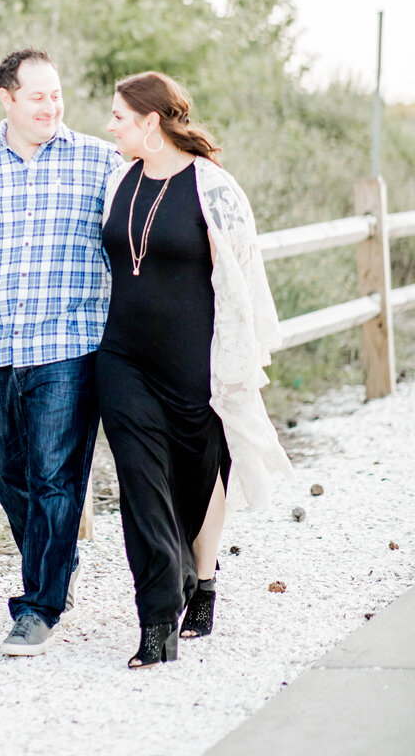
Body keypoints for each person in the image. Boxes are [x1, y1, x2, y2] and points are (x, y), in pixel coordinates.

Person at [96, 70, 293, 669]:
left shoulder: (214, 189)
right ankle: (157, 621)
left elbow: (242, 283)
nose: (110, 127)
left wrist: (234, 368)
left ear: (150, 123)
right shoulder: (117, 179)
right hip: (122, 358)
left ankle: (202, 581)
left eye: (120, 118)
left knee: (200, 475)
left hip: (193, 364)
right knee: (140, 486)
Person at [0, 49, 121, 656]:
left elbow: (137, 229)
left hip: (67, 346)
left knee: (55, 477)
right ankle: (54, 564)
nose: (51, 106)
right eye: (37, 96)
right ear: (7, 97)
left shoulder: (99, 160)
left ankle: (39, 604)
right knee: (5, 470)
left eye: (57, 95)